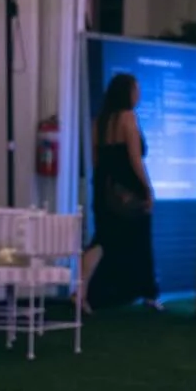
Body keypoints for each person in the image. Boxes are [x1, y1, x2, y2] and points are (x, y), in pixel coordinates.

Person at [82, 73, 160, 312]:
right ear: (126, 93)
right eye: (135, 90)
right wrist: (148, 189)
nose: (138, 95)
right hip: (128, 188)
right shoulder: (128, 118)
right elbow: (136, 160)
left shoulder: (99, 122)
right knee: (139, 239)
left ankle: (81, 290)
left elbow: (95, 159)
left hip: (103, 187)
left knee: (102, 239)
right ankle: (148, 293)